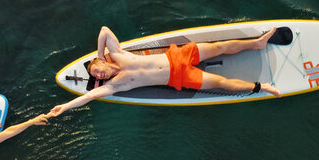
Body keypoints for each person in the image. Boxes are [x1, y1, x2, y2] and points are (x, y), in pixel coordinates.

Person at [49, 26, 281, 116]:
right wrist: (65, 107)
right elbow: (89, 96)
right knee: (220, 82)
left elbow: (103, 31)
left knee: (219, 47)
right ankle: (262, 87)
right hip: (177, 77)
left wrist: (99, 54)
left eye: (97, 70)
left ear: (101, 62)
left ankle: (257, 43)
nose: (100, 75)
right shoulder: (116, 85)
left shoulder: (117, 53)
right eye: (98, 77)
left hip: (177, 55)